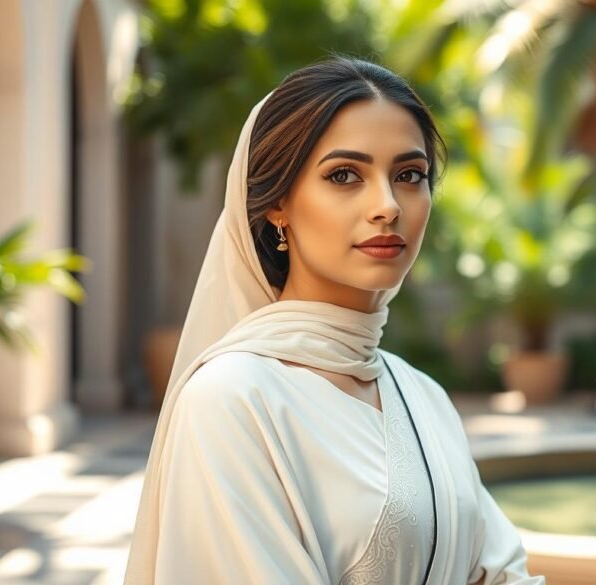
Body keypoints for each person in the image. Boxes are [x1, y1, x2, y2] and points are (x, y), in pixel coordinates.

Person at [124, 57, 545, 585]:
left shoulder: (421, 395)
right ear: (277, 204)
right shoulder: (233, 399)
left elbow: (501, 570)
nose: (387, 206)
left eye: (409, 175)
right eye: (345, 175)